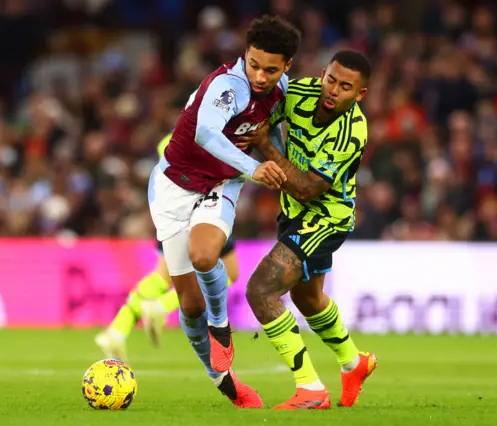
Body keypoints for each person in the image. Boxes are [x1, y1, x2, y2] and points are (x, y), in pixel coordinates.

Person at [146, 15, 301, 408]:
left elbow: (278, 130)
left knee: (204, 255)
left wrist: (279, 160)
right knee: (189, 304)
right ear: (244, 56)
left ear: (287, 67)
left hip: (221, 184)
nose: (261, 76)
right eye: (254, 64)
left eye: (271, 68)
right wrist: (256, 166)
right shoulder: (227, 86)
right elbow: (206, 133)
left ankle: (221, 328)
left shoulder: (280, 90)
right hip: (173, 187)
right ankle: (223, 380)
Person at [237, 50, 377, 410]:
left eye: (346, 87)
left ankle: (311, 389)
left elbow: (306, 187)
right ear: (322, 74)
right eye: (331, 79)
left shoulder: (352, 131)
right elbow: (258, 114)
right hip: (292, 212)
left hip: (325, 216)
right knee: (307, 299)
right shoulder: (297, 93)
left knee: (261, 291)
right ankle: (353, 361)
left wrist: (265, 144)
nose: (333, 90)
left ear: (359, 95)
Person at [95, 133, 240, 360]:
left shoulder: (173, 138)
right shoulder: (212, 132)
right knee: (229, 273)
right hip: (204, 209)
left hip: (169, 210)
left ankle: (118, 329)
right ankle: (160, 307)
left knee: (162, 276)